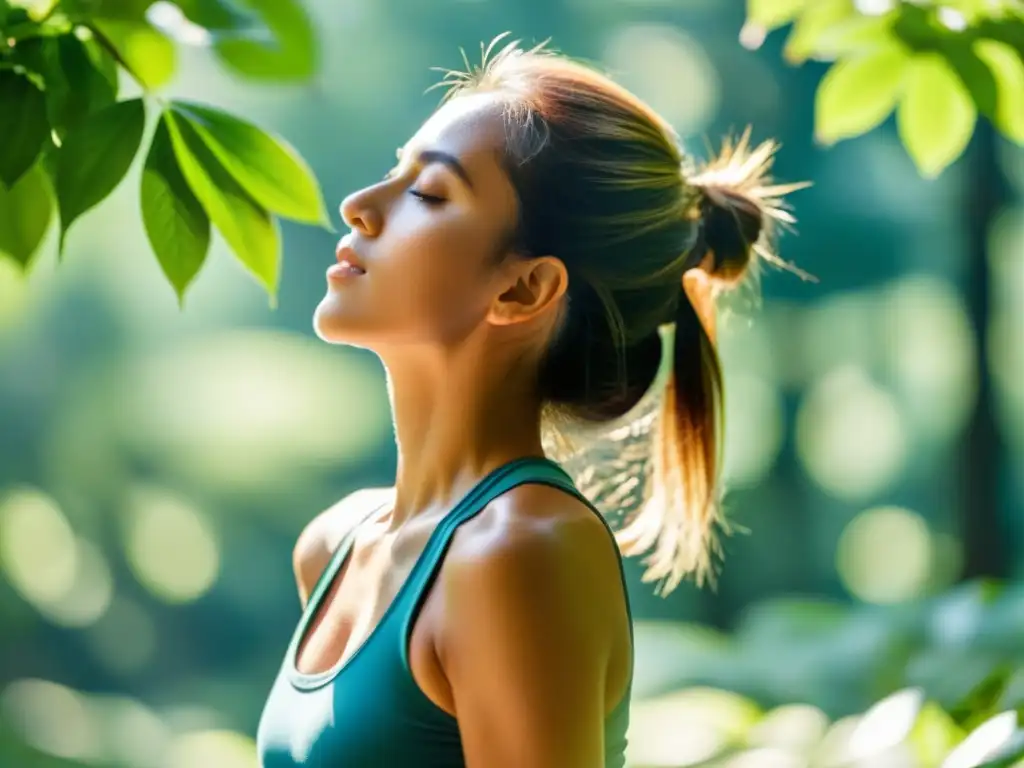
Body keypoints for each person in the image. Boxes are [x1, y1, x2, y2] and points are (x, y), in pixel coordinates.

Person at [256, 35, 804, 768]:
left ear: (523, 289)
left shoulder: (521, 551)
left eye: (428, 192)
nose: (359, 206)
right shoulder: (335, 546)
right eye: (396, 171)